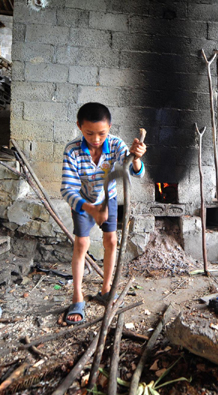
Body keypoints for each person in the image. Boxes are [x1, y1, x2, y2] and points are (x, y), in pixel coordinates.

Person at [60, 102, 146, 324]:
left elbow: (136, 172)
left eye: (102, 133)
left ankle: (106, 288)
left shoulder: (116, 144)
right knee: (81, 245)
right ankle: (77, 297)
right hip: (82, 202)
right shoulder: (72, 150)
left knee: (111, 240)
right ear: (79, 126)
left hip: (108, 199)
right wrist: (90, 208)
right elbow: (67, 189)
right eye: (89, 133)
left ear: (109, 127)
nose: (96, 139)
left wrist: (136, 158)